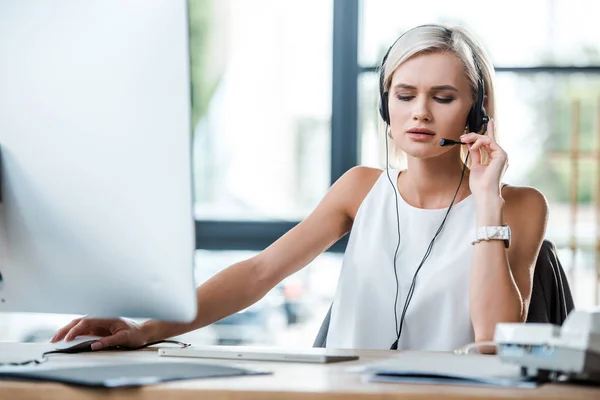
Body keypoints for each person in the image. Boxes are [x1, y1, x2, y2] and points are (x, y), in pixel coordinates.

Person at [51, 24, 548, 352]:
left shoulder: (518, 206)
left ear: (476, 113)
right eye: (404, 95)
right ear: (386, 107)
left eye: (442, 97)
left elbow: (494, 340)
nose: (420, 111)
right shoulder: (360, 189)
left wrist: (486, 202)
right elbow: (261, 271)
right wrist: (147, 329)